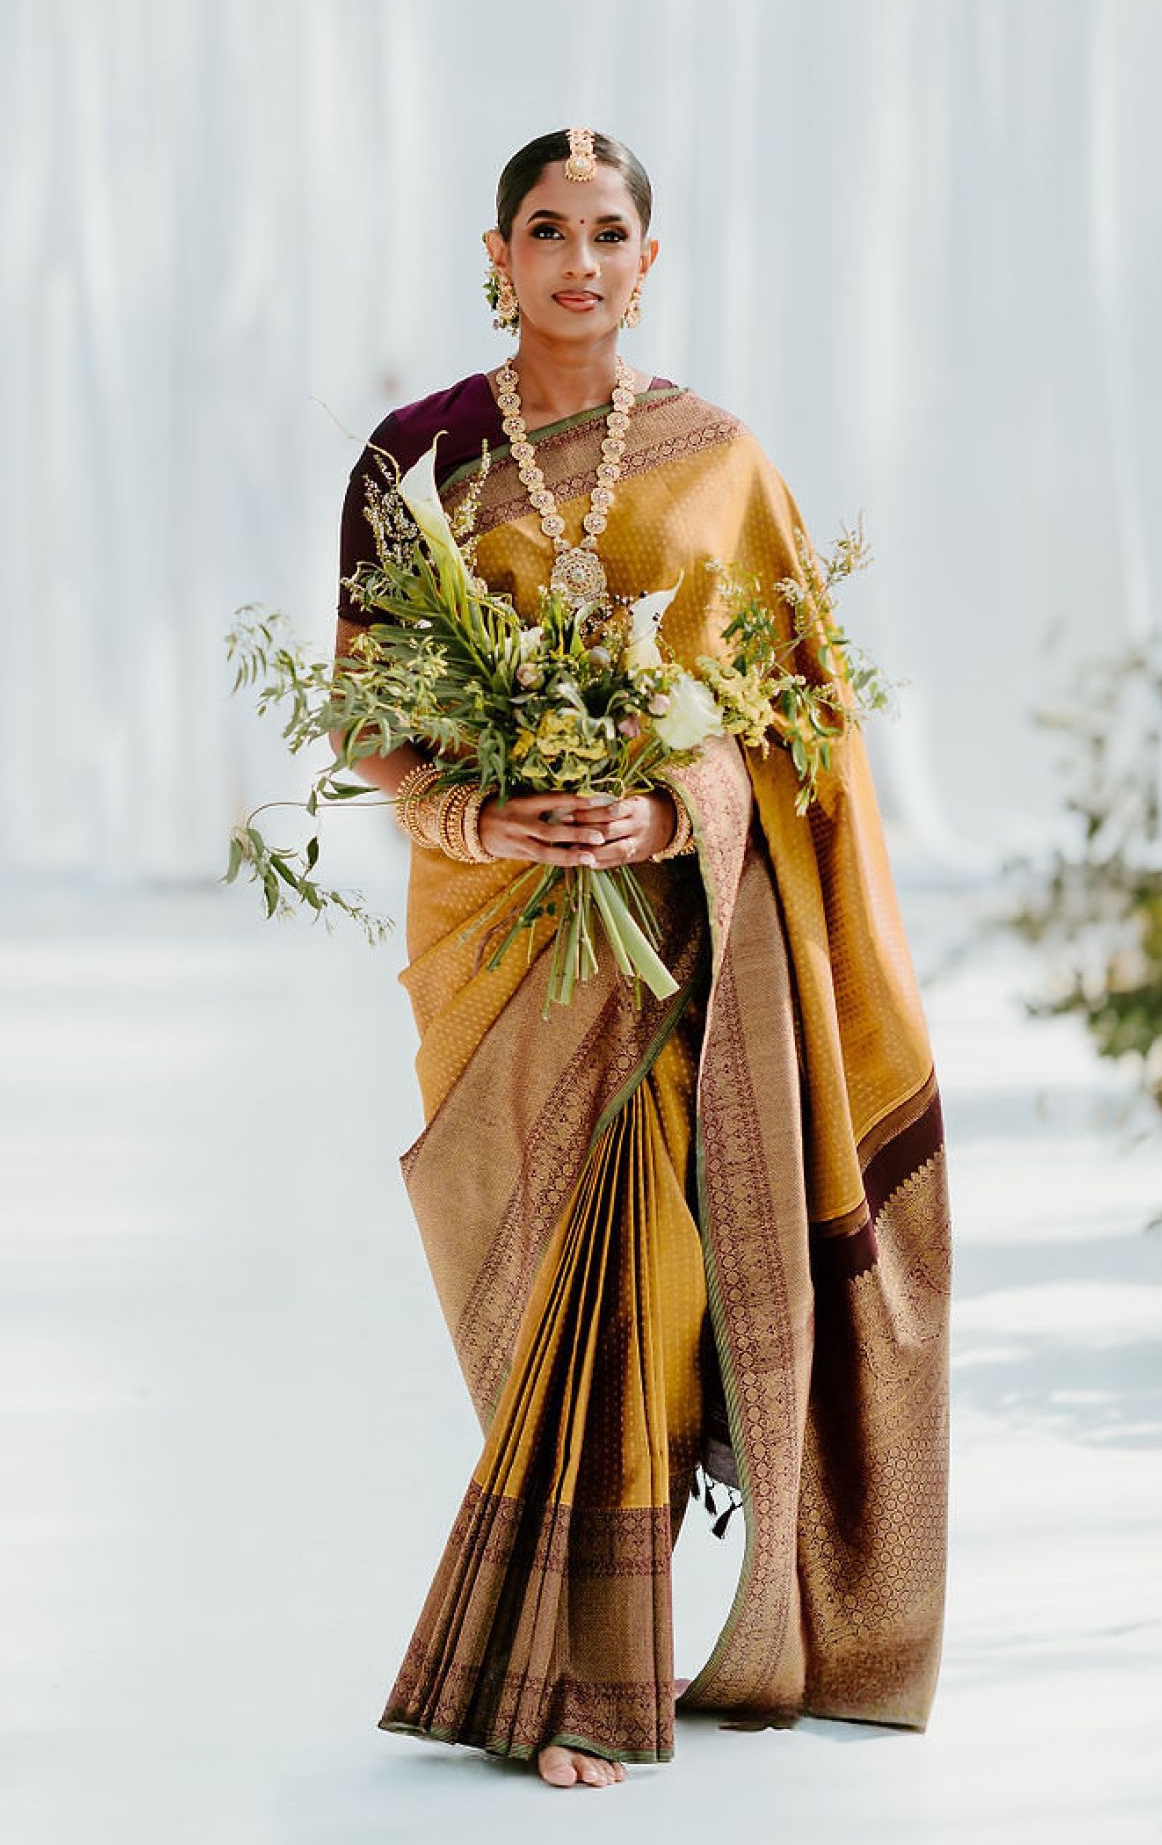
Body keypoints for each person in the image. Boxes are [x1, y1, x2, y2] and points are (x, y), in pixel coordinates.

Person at [332, 126, 950, 1790]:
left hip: (687, 947)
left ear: (650, 261)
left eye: (609, 233)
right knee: (541, 1289)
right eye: (549, 231)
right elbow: (370, 716)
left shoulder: (725, 461)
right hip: (501, 949)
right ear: (498, 250)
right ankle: (573, 1644)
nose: (579, 262)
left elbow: (794, 725)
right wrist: (483, 817)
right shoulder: (413, 459)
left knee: (662, 1285)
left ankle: (588, 1682)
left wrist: (668, 810)